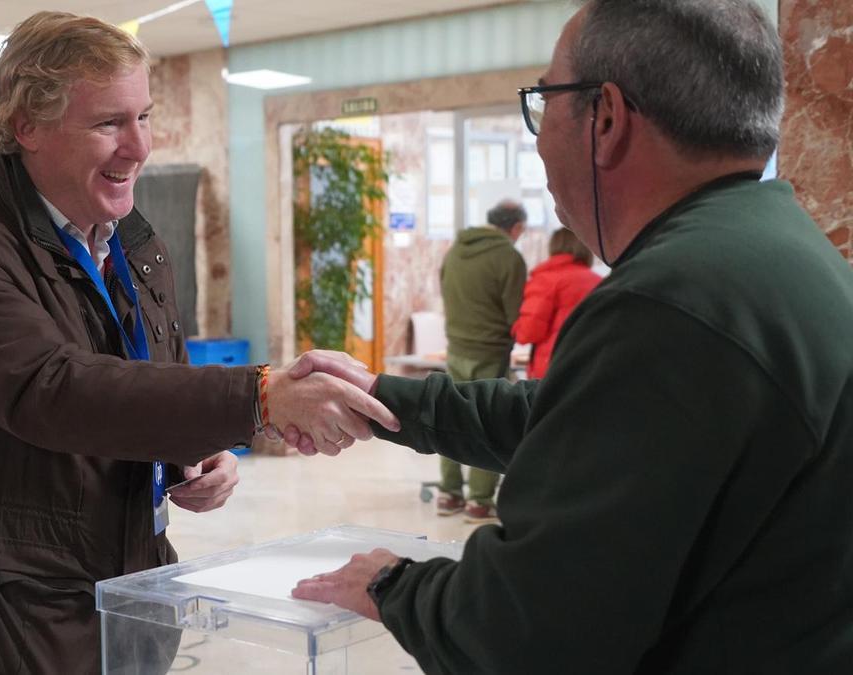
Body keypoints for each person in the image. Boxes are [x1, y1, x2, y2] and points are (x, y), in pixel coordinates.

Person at [290, 0, 853, 672]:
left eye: (545, 99)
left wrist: (392, 585)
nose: (538, 134)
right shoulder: (777, 250)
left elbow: (527, 631)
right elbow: (587, 424)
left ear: (606, 119)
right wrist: (388, 400)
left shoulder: (668, 301)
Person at [0, 12, 397, 673]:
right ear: (27, 127)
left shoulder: (134, 241)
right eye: (108, 123)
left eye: (145, 117)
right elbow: (53, 391)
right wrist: (259, 396)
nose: (139, 146)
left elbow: (152, 380)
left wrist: (197, 450)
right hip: (7, 613)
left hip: (132, 591)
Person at [434, 200, 527, 520]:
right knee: (486, 420)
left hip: (456, 346)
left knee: (450, 415)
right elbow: (516, 313)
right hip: (490, 350)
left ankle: (448, 493)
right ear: (515, 228)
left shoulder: (455, 251)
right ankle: (480, 501)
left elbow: (444, 290)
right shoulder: (509, 257)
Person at [510, 227, 601, 379]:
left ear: (554, 246)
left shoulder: (546, 280)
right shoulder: (598, 281)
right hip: (589, 366)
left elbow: (528, 332)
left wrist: (516, 328)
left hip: (552, 368)